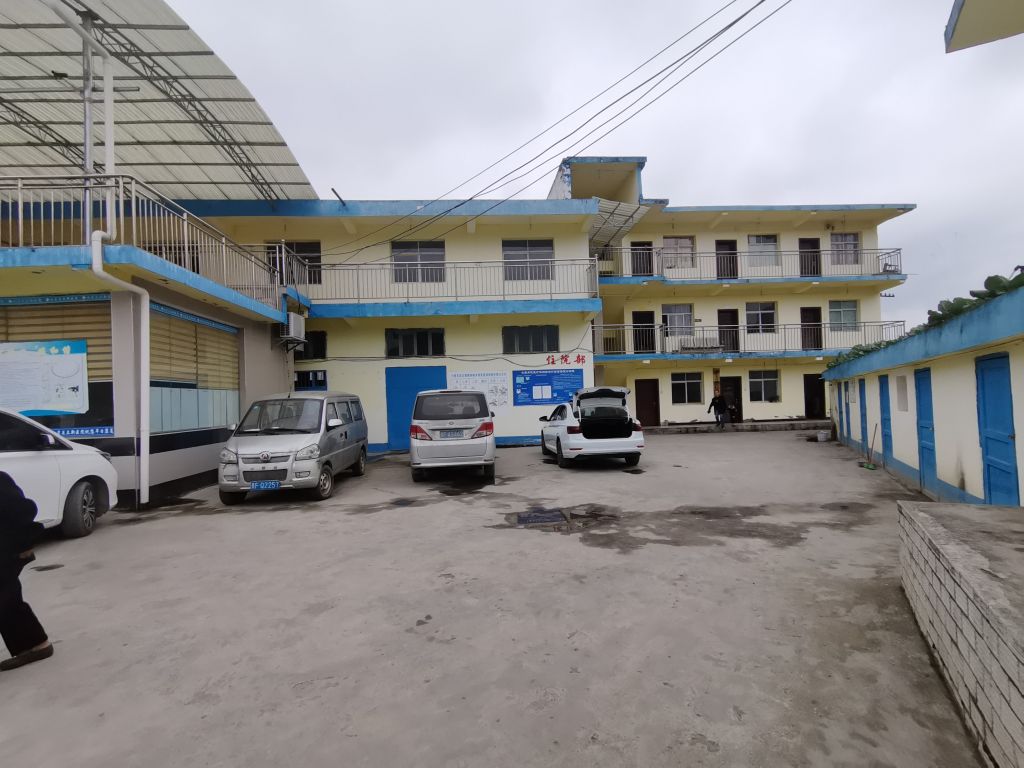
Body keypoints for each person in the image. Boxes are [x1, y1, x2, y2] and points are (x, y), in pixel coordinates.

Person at [0, 472, 53, 671]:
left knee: (6, 598)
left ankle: (37, 645)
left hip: (7, 549)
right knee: (7, 598)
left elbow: (22, 510)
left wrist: (25, 544)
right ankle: (34, 644)